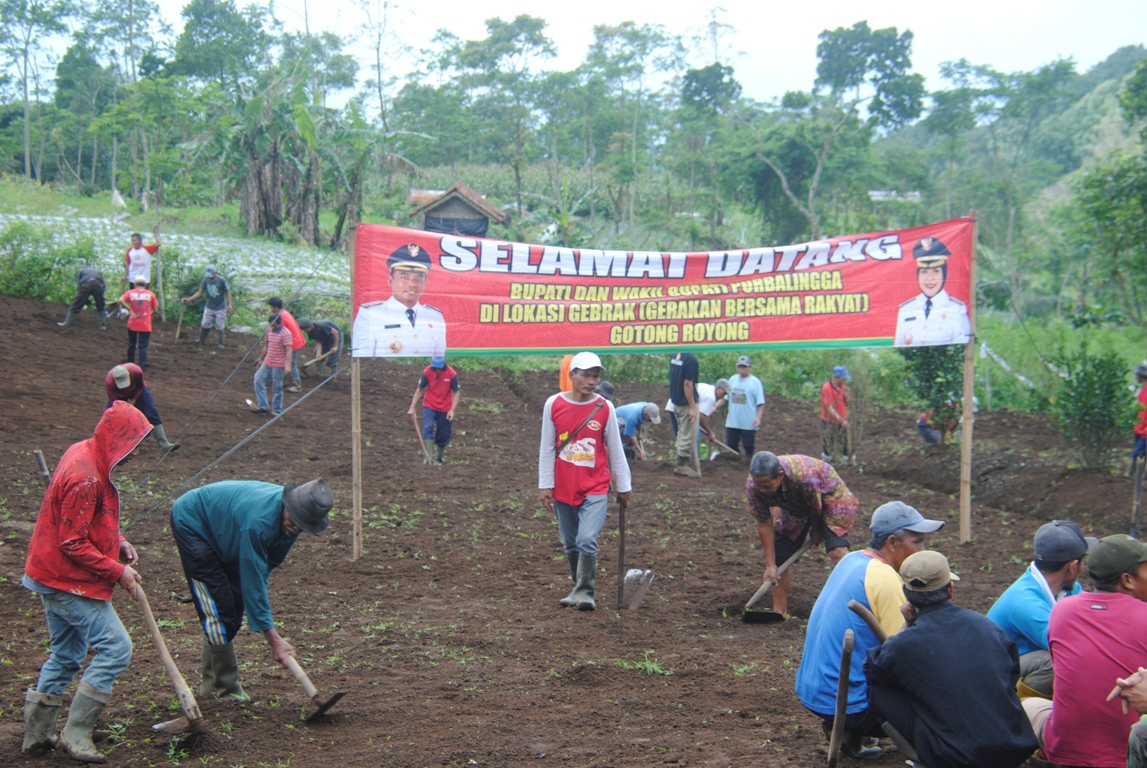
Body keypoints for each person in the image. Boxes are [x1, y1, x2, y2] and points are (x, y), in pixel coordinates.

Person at [20, 402, 152, 761]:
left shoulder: (84, 450)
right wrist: (118, 571)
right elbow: (72, 541)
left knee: (66, 655)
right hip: (64, 578)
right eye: (133, 444)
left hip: (48, 571)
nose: (135, 454)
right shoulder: (86, 476)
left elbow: (84, 521)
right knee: (117, 648)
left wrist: (117, 540)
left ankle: (37, 735)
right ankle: (75, 734)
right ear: (115, 440)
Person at [794, 501, 943, 760]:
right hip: (847, 702)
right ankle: (918, 751)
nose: (923, 550)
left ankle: (849, 733)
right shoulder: (885, 579)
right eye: (918, 542)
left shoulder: (852, 559)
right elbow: (906, 656)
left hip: (814, 689)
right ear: (893, 543)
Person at [864, 551, 1039, 768]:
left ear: (906, 594)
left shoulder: (904, 644)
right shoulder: (987, 626)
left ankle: (921, 760)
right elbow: (1011, 673)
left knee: (878, 691)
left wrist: (906, 625)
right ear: (950, 589)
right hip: (1013, 747)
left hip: (957, 758)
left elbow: (874, 670)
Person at [170, 479, 334, 701]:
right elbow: (252, 574)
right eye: (294, 521)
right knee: (220, 608)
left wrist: (253, 595)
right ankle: (227, 690)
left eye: (301, 527)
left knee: (234, 606)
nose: (295, 528)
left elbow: (263, 568)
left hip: (226, 531)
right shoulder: (259, 523)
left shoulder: (294, 521)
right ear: (288, 506)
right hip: (194, 521)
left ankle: (209, 688)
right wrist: (273, 638)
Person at [1021, 534, 1147, 768]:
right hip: (1126, 755)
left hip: (1064, 753)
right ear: (1128, 580)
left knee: (1028, 705)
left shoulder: (1062, 609)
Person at [539, 351, 632, 611]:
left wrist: (623, 485)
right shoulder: (553, 404)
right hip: (563, 485)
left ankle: (585, 591)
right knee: (570, 541)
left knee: (587, 538)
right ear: (572, 376)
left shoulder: (604, 407)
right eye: (586, 375)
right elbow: (547, 446)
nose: (592, 381)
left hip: (595, 485)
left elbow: (615, 448)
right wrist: (545, 483)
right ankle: (577, 587)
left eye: (595, 376)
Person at [986, 520, 1094, 699]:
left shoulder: (1069, 588)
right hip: (993, 678)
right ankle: (1019, 708)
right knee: (1059, 660)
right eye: (1083, 562)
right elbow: (1069, 646)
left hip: (1019, 664)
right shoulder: (1024, 602)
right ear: (1072, 567)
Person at [745, 451, 859, 618]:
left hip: (829, 495)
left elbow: (815, 506)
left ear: (780, 476)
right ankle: (779, 613)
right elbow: (764, 523)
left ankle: (859, 599)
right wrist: (770, 566)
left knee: (837, 551)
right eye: (759, 485)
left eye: (767, 486)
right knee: (780, 558)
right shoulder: (754, 486)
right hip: (794, 504)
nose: (763, 490)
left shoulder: (804, 476)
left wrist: (817, 529)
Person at [352, 243, 446, 357]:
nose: (412, 284)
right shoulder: (370, 314)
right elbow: (362, 361)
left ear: (425, 282)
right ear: (390, 280)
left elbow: (439, 361)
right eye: (404, 277)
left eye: (418, 278)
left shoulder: (435, 317)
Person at [894, 236, 971, 347]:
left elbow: (963, 350)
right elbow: (898, 349)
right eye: (924, 272)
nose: (929, 278)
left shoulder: (956, 310)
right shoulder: (906, 309)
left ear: (944, 274)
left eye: (935, 271)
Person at [105, 363, 180, 452]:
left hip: (136, 390)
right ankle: (110, 446)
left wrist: (134, 401)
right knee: (110, 417)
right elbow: (114, 402)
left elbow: (140, 387)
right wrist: (123, 410)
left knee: (151, 412)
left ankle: (164, 444)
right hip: (119, 395)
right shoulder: (110, 382)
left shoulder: (137, 371)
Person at [409, 356, 461, 465]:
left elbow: (457, 393)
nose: (437, 369)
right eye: (435, 367)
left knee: (443, 432)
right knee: (428, 427)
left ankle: (438, 459)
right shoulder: (427, 371)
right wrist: (412, 407)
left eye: (439, 367)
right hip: (429, 404)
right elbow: (420, 389)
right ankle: (428, 457)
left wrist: (452, 410)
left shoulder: (451, 374)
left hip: (445, 407)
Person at [182, 265, 233, 348]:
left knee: (220, 325)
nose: (210, 278)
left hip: (220, 307)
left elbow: (228, 291)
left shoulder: (221, 280)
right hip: (210, 306)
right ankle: (201, 340)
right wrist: (189, 299)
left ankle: (221, 343)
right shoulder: (205, 280)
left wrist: (230, 304)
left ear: (215, 273)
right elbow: (200, 292)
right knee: (205, 323)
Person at [725, 355, 766, 458]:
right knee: (731, 444)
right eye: (740, 367)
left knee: (748, 445)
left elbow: (760, 402)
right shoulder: (732, 379)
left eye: (744, 367)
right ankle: (735, 462)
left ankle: (748, 462)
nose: (741, 369)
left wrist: (758, 418)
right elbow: (726, 397)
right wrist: (714, 407)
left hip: (748, 421)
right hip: (733, 421)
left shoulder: (755, 382)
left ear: (750, 368)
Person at [252, 314, 293, 416]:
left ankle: (277, 411)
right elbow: (266, 345)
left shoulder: (286, 333)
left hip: (278, 365)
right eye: (271, 325)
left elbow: (288, 349)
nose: (272, 327)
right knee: (258, 380)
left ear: (279, 323)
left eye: (274, 325)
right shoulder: (269, 331)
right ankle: (263, 406)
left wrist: (288, 365)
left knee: (277, 388)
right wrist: (260, 359)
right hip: (267, 363)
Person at [668, 352, 700, 477]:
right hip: (685, 402)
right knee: (688, 434)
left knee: (681, 433)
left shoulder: (675, 355)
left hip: (676, 401)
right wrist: (692, 406)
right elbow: (687, 384)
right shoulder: (691, 360)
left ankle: (680, 462)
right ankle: (680, 465)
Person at [119, 275, 159, 370]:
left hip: (133, 322)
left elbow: (121, 300)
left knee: (131, 343)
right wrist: (151, 314)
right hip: (145, 324)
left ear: (135, 284)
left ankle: (130, 363)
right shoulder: (150, 294)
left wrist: (130, 310)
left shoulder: (131, 293)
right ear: (145, 285)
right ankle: (142, 366)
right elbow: (156, 310)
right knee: (143, 345)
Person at [268, 297, 307, 393]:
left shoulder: (280, 318)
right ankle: (283, 381)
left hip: (293, 341)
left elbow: (282, 333)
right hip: (296, 339)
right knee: (285, 361)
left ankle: (297, 385)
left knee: (292, 363)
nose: (271, 309)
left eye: (271, 307)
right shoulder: (284, 312)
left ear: (276, 307)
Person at [820, 365, 850, 463]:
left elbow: (846, 403)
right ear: (837, 377)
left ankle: (846, 458)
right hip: (830, 421)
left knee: (844, 441)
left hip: (842, 419)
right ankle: (827, 460)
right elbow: (829, 408)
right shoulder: (827, 388)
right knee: (829, 443)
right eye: (843, 378)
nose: (845, 380)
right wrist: (841, 420)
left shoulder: (842, 387)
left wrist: (847, 396)